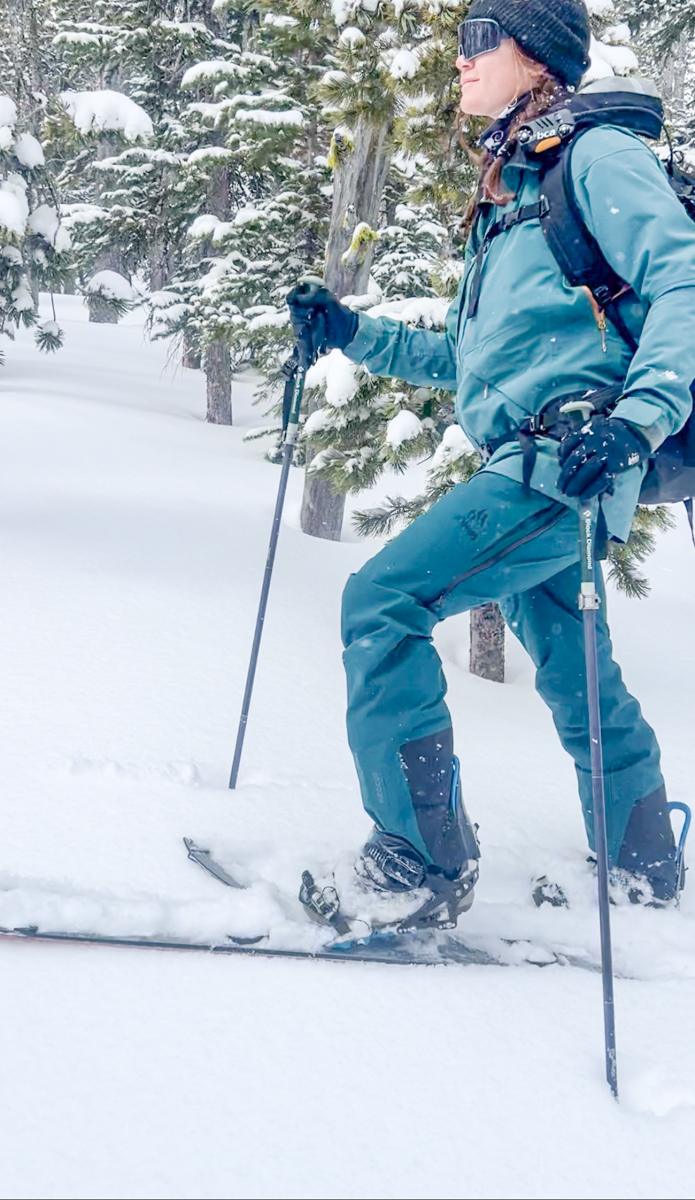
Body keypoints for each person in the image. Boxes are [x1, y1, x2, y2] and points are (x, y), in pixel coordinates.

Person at [287, 0, 695, 930]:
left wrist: (635, 424)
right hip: (535, 460)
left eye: (481, 41)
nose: (461, 60)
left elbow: (683, 280)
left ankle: (420, 865)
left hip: (566, 465)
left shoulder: (595, 158)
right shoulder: (517, 192)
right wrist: (353, 333)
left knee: (381, 601)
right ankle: (643, 858)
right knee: (572, 663)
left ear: (538, 57)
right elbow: (471, 365)